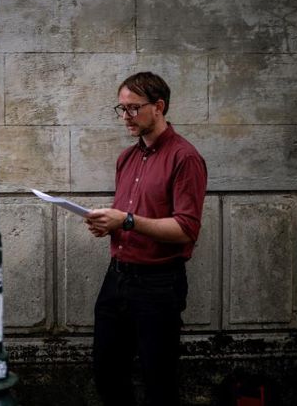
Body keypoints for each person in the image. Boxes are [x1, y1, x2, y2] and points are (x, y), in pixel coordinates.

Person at [84, 71, 208, 406]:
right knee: (107, 373)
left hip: (158, 284)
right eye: (121, 109)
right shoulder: (126, 158)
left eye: (133, 108)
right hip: (117, 278)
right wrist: (107, 224)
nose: (125, 117)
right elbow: (132, 218)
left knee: (159, 381)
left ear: (159, 107)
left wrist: (125, 220)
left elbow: (185, 229)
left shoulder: (185, 157)